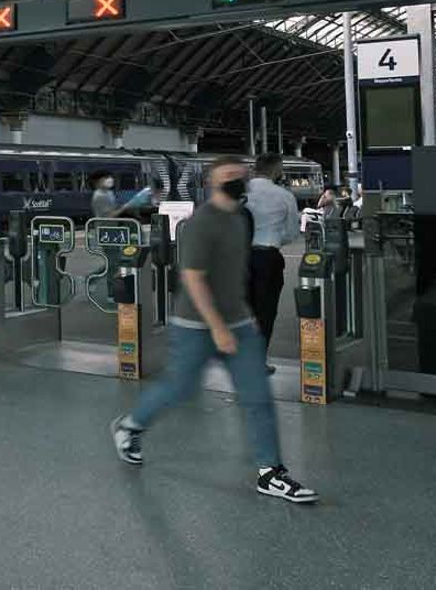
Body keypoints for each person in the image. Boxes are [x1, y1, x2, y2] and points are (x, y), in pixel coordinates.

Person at [110, 157, 317, 504]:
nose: (235, 181)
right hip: (196, 326)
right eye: (227, 177)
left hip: (237, 322)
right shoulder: (200, 224)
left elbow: (232, 274)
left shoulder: (240, 219)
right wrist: (219, 327)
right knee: (179, 389)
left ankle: (270, 472)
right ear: (211, 183)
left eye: (239, 176)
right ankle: (129, 426)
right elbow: (193, 278)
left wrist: (243, 313)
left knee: (257, 396)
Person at [244, 155, 304, 371]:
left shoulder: (240, 193)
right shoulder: (284, 196)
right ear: (277, 170)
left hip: (239, 257)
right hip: (268, 257)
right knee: (266, 312)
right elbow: (291, 234)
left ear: (255, 168)